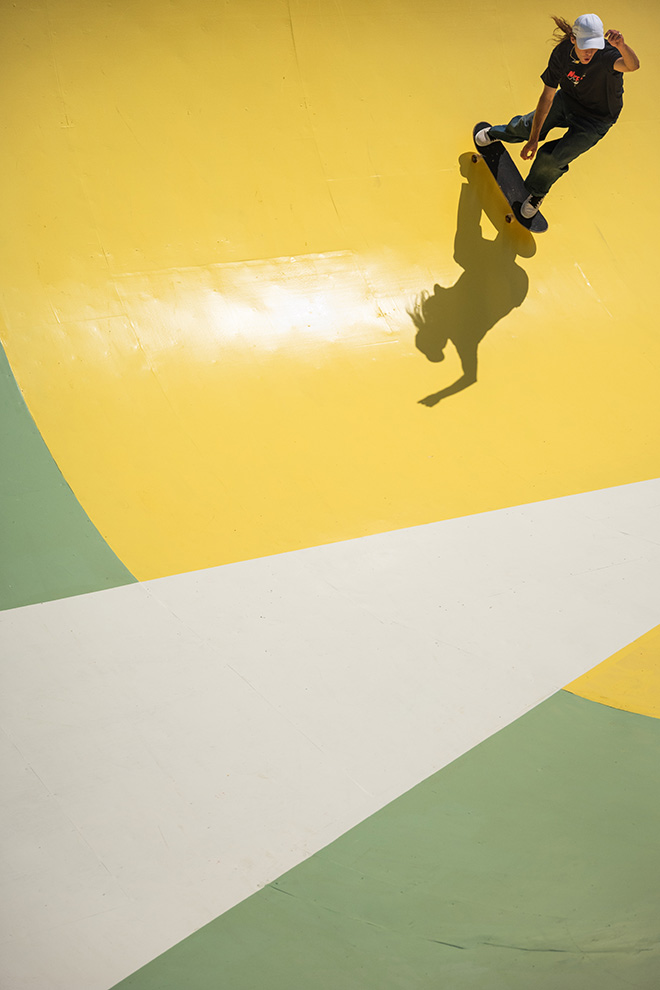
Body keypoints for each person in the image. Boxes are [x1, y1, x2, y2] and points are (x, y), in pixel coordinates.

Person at [475, 14, 640, 217]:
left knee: (552, 159)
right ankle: (497, 133)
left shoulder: (606, 54)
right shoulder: (561, 55)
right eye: (585, 46)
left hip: (596, 120)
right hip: (568, 100)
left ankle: (536, 193)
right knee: (528, 126)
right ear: (573, 39)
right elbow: (547, 97)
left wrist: (622, 47)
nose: (590, 52)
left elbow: (632, 66)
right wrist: (533, 139)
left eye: (594, 46)